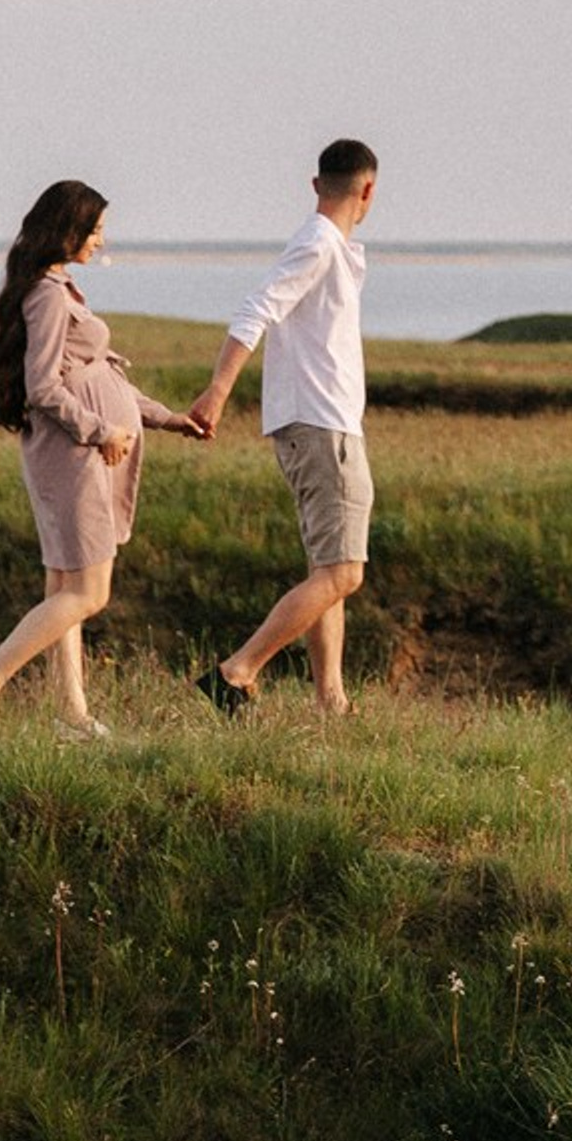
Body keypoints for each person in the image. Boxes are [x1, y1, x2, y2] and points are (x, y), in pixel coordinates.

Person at [0, 179, 206, 743]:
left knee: (64, 588)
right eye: (94, 230)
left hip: (79, 450)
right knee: (89, 593)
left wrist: (165, 418)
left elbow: (98, 376)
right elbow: (44, 387)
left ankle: (72, 715)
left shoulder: (59, 289)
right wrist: (100, 429)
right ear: (66, 229)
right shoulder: (47, 295)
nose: (100, 242)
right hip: (73, 454)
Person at [186, 139, 379, 720]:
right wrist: (218, 391)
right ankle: (236, 673)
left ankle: (331, 699)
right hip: (324, 426)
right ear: (368, 190)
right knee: (344, 572)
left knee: (327, 570)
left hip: (314, 423)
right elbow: (256, 309)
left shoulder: (327, 246)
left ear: (317, 184)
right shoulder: (320, 243)